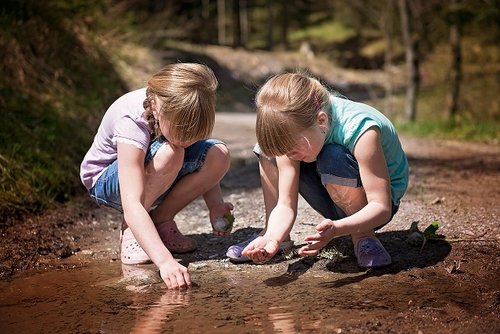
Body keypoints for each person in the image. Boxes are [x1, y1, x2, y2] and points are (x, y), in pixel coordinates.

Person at [226, 71, 408, 267]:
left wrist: (337, 229)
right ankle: (275, 232)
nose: (291, 156)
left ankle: (363, 236)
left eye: (294, 149)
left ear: (322, 121)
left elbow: (381, 208)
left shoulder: (360, 129)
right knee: (268, 149)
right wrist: (272, 237)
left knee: (332, 156)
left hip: (372, 209)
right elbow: (285, 204)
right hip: (332, 197)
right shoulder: (300, 135)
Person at [80, 63, 234, 289]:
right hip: (107, 183)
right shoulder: (132, 121)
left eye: (195, 136)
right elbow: (131, 202)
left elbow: (200, 157)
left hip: (155, 172)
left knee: (217, 154)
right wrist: (165, 262)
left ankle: (161, 220)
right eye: (184, 133)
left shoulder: (180, 110)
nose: (190, 141)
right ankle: (132, 230)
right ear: (155, 106)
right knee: (172, 152)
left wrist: (216, 205)